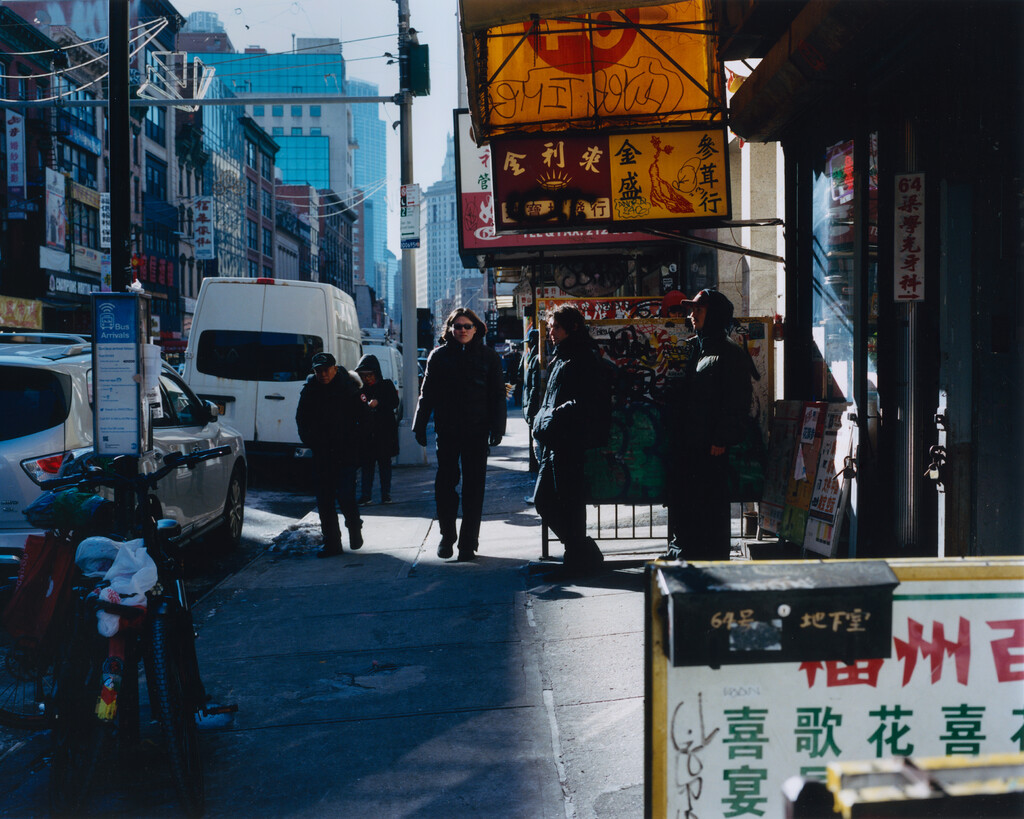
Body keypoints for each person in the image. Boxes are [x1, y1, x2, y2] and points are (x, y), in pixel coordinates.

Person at [664, 288, 753, 561]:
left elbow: (737, 401)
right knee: (687, 501)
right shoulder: (699, 349)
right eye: (692, 310)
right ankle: (683, 554)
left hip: (710, 446)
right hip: (691, 444)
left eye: (698, 310)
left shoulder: (729, 354)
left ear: (713, 315)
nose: (692, 316)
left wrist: (721, 438)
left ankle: (709, 558)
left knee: (709, 504)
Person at [412, 307, 507, 561]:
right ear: (450, 330)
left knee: (474, 487)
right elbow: (427, 393)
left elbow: (498, 395)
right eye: (457, 326)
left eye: (467, 326)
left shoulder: (489, 357)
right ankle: (447, 536)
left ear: (476, 329)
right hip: (448, 431)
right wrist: (419, 424)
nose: (462, 330)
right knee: (445, 485)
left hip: (477, 431)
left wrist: (498, 428)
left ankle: (468, 543)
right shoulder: (438, 356)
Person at [532, 305, 609, 575]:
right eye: (550, 327)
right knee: (545, 500)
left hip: (570, 441)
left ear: (571, 328)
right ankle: (581, 550)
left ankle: (578, 555)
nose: (550, 332)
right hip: (555, 441)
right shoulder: (562, 356)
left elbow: (587, 401)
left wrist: (552, 417)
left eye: (555, 327)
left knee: (569, 501)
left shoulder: (583, 357)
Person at [296, 352, 368, 557]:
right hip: (322, 453)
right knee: (324, 500)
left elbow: (364, 420)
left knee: (345, 495)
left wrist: (354, 441)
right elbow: (301, 418)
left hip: (346, 453)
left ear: (335, 369)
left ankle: (354, 526)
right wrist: (309, 439)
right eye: (318, 370)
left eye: (326, 370)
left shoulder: (349, 388)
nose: (323, 374)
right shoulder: (310, 390)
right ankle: (332, 543)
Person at [355, 353, 399, 505]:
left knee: (384, 465)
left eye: (369, 375)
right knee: (367, 466)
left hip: (384, 434)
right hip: (367, 435)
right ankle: (366, 495)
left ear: (376, 373)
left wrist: (379, 402)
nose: (367, 379)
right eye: (363, 376)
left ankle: (385, 494)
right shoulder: (360, 390)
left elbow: (394, 402)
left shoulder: (386, 385)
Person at [520, 328, 542, 475]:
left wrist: (530, 412)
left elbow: (534, 388)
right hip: (533, 412)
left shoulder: (535, 359)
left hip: (535, 413)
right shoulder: (533, 358)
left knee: (539, 451)